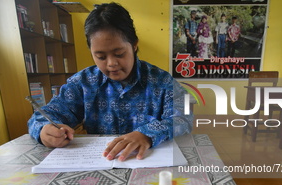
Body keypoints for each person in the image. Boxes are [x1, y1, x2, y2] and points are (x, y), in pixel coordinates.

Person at [28, 2, 193, 162]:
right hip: (101, 165)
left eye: (119, 53)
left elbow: (184, 117)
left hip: (148, 165)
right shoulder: (82, 83)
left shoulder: (162, 81)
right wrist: (44, 130)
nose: (111, 63)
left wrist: (148, 133)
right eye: (100, 57)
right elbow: (44, 115)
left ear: (134, 45)